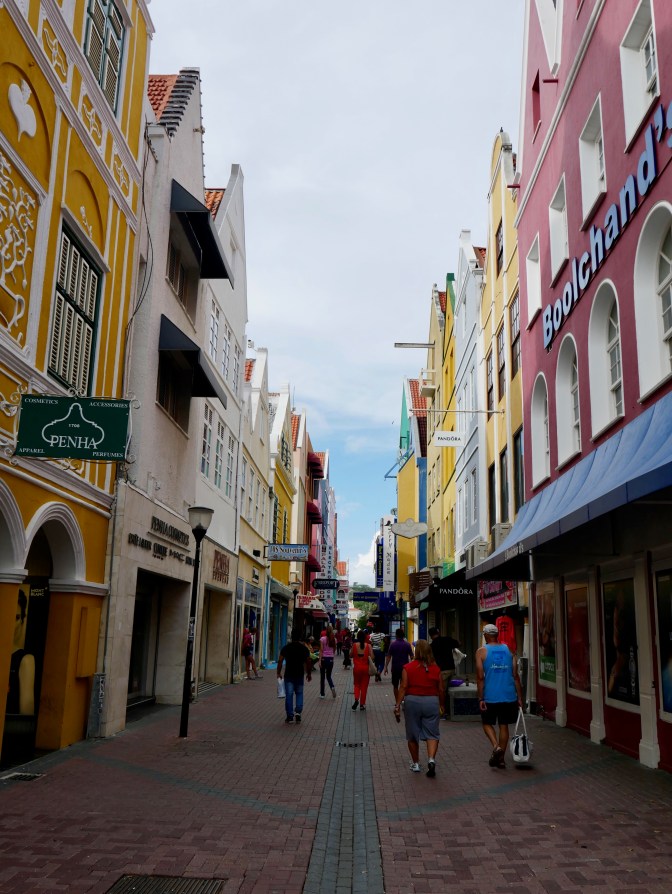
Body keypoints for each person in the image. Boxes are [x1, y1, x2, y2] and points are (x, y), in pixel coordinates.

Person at [394, 640, 445, 777]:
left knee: (412, 733)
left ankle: (416, 763)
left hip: (412, 702)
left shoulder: (408, 667)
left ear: (416, 651)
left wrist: (397, 705)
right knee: (432, 733)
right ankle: (431, 759)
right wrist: (442, 704)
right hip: (431, 702)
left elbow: (403, 687)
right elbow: (441, 689)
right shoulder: (436, 669)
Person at [476, 623, 524, 768]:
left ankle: (496, 747)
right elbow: (516, 676)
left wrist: (481, 698)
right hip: (509, 695)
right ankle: (501, 759)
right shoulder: (509, 650)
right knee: (504, 725)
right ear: (497, 635)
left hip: (490, 695)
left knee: (486, 723)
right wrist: (519, 697)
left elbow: (480, 677)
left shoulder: (481, 652)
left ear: (485, 635)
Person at [8, 589, 35, 716]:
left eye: (16, 617)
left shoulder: (24, 660)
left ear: (22, 621)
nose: (11, 624)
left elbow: (26, 713)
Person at [277, 628, 313, 723]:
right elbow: (308, 661)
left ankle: (289, 716)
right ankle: (298, 713)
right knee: (299, 693)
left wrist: (278, 672)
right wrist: (309, 673)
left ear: (292, 636)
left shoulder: (286, 648)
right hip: (299, 674)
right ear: (300, 637)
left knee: (289, 695)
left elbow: (280, 660)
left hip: (289, 674)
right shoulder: (304, 648)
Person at [428, 626, 461, 717]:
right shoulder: (447, 639)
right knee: (450, 690)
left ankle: (443, 711)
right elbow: (459, 643)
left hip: (442, 671)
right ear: (438, 633)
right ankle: (451, 710)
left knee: (442, 691)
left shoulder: (431, 646)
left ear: (430, 636)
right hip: (451, 669)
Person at [384, 627, 414, 701]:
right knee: (403, 685)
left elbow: (389, 656)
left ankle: (397, 701)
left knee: (395, 686)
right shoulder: (407, 645)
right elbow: (412, 656)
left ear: (396, 635)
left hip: (395, 668)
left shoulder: (393, 644)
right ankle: (401, 699)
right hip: (405, 668)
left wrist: (386, 666)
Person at [351, 629, 373, 710]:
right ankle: (362, 704)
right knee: (364, 686)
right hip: (365, 669)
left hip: (356, 668)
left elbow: (350, 654)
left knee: (357, 685)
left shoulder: (354, 645)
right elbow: (372, 657)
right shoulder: (368, 646)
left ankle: (356, 698)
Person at [319, 624, 337, 699]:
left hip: (324, 659)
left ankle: (322, 694)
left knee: (322, 677)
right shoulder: (334, 639)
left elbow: (321, 650)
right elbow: (334, 650)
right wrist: (332, 656)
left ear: (326, 631)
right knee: (329, 676)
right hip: (330, 659)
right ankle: (332, 686)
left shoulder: (322, 639)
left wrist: (319, 660)